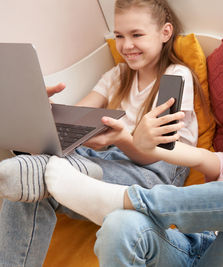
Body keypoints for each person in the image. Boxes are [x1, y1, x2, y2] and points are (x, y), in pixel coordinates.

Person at [44, 63, 223, 267]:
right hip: (190, 247)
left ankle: (125, 199)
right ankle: (123, 205)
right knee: (119, 224)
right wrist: (143, 142)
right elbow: (190, 155)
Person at [0, 0, 202, 266]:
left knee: (27, 176)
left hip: (155, 172)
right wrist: (44, 111)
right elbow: (78, 114)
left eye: (136, 35)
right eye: (119, 36)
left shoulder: (176, 76)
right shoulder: (117, 75)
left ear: (165, 32)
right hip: (108, 160)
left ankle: (34, 167)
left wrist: (121, 139)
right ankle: (36, 168)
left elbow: (159, 157)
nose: (126, 45)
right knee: (28, 189)